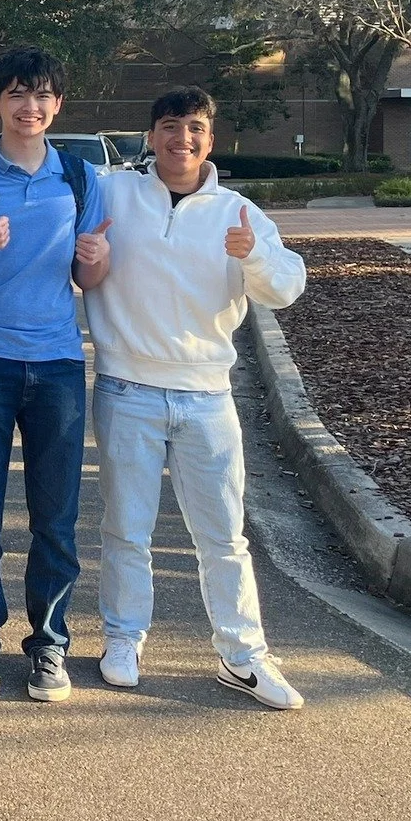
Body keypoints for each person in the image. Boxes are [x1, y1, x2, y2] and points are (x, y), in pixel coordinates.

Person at [83, 86, 309, 709]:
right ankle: (123, 639)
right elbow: (41, 172)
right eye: (169, 126)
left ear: (211, 140)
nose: (181, 139)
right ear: (150, 136)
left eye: (194, 129)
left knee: (223, 536)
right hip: (127, 388)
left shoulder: (239, 212)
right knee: (126, 529)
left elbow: (286, 288)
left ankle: (243, 655)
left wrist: (253, 256)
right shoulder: (113, 192)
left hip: (208, 397)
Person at [0, 47, 110, 703]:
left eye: (40, 95)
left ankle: (49, 642)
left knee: (56, 516)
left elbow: (88, 277)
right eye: (15, 93)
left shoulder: (80, 177)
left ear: (57, 105)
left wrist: (96, 256)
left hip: (58, 362)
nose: (28, 107)